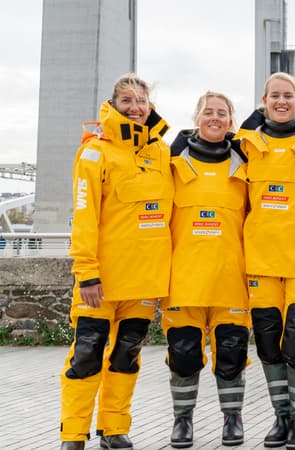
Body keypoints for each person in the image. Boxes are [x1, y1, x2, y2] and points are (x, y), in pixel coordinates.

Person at [60, 73, 173, 450]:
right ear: (112, 105)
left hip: (144, 280)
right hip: (101, 281)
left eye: (141, 101)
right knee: (87, 354)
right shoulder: (95, 151)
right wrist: (87, 272)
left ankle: (114, 429)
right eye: (127, 100)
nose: (135, 108)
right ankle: (73, 434)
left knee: (127, 356)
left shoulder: (162, 152)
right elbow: (84, 216)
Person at [236, 72, 295, 450]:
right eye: (274, 95)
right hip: (261, 261)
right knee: (268, 343)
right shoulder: (247, 144)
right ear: (263, 101)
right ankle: (282, 416)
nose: (281, 101)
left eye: (288, 95)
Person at [162, 92, 249, 448]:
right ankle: (182, 419)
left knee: (231, 352)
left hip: (231, 277)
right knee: (183, 353)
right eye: (208, 112)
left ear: (231, 121)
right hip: (184, 279)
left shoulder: (245, 165)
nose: (215, 118)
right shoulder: (171, 163)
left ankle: (233, 417)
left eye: (222, 113)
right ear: (196, 117)